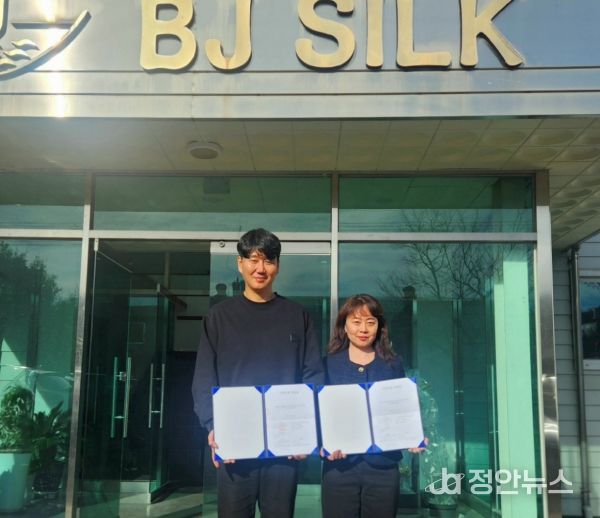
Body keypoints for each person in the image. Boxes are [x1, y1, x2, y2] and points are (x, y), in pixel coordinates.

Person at [191, 228, 324, 518]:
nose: (260, 268)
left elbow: (313, 375)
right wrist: (212, 425)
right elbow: (203, 377)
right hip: (235, 443)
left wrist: (305, 430)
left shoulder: (297, 315)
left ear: (278, 265)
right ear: (240, 263)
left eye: (268, 260)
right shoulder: (219, 317)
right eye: (253, 259)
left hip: (284, 446)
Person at [321, 293, 426, 518]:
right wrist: (322, 444)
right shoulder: (328, 364)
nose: (363, 329)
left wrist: (414, 435)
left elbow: (402, 408)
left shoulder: (392, 363)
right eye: (356, 322)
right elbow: (319, 412)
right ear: (344, 326)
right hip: (339, 467)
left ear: (379, 327)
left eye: (370, 322)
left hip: (384, 467)